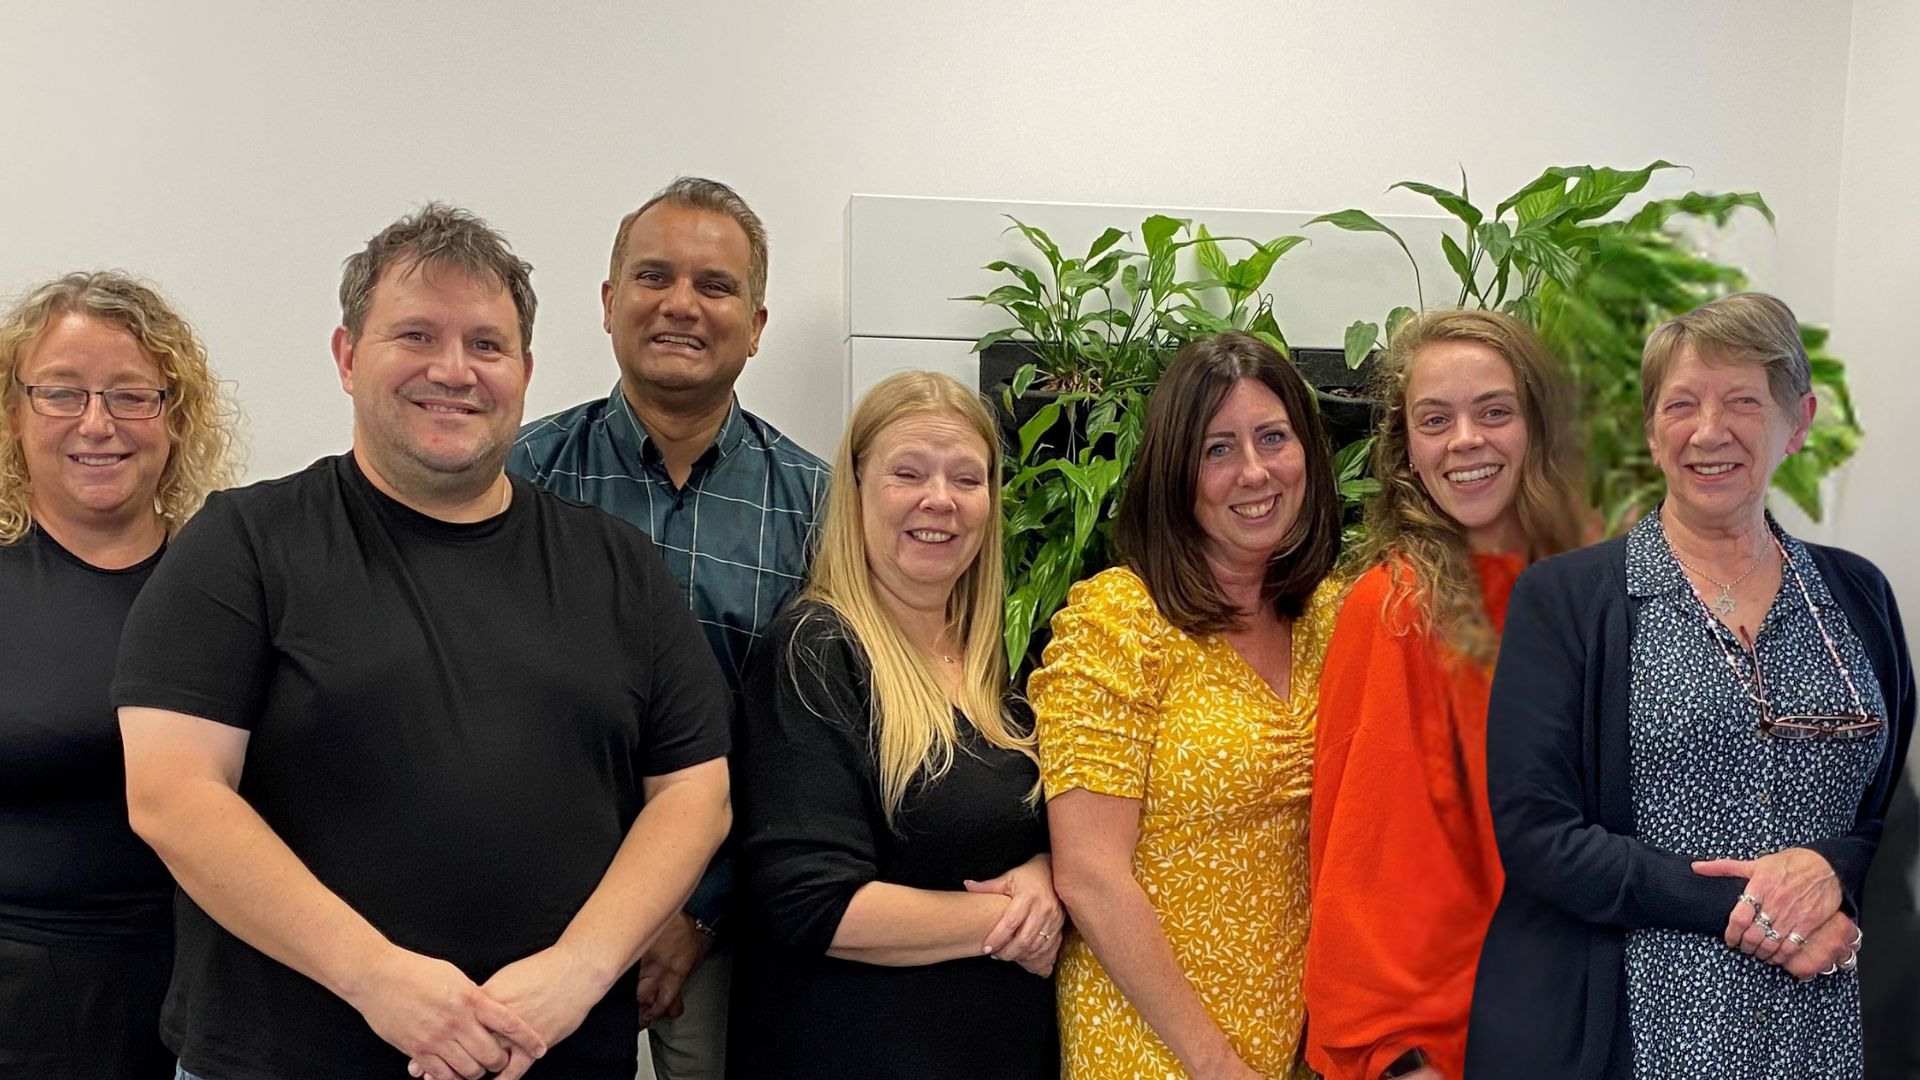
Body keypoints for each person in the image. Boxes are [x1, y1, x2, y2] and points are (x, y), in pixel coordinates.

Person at [112, 204, 733, 1080]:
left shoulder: (618, 566)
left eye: (486, 345)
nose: (455, 371)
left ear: (524, 369)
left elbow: (695, 795)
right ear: (346, 356)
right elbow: (174, 796)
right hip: (287, 1058)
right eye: (416, 335)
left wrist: (578, 972)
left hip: (556, 1052)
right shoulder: (244, 544)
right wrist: (380, 982)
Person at [1466, 292, 1915, 1079]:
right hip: (1638, 1024)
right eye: (1682, 404)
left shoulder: (1857, 596)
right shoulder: (1568, 601)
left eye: (1744, 400)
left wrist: (1831, 869)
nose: (1710, 431)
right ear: (1652, 430)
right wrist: (1760, 910)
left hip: (1828, 1022)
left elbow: (1884, 812)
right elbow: (1538, 834)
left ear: (1797, 420)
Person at [509, 177, 826, 1080]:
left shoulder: (814, 506)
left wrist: (700, 913)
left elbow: (802, 748)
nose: (682, 304)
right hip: (536, 919)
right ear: (610, 304)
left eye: (716, 286)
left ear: (756, 324)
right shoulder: (518, 476)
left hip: (723, 933)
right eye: (654, 276)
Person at [1030, 331, 1343, 1079]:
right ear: (1176, 471)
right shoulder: (1120, 621)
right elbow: (1090, 876)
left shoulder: (1335, 618)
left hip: (1299, 1049)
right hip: (1152, 1045)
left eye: (1273, 438)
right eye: (1217, 450)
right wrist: (1216, 1065)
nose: (1255, 472)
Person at [731, 371, 1060, 1080]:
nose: (938, 499)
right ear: (854, 491)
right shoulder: (816, 652)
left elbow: (1038, 829)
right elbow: (812, 901)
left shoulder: (1004, 660)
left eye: (966, 479)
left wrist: (1043, 874)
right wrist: (1013, 923)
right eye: (907, 473)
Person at [1303, 310, 1585, 1080]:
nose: (1465, 440)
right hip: (1461, 1047)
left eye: (1494, 411)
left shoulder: (1593, 589)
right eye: (1436, 420)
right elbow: (1368, 867)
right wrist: (1399, 1059)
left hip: (1590, 1022)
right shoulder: (1396, 608)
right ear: (1407, 451)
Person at [0, 271, 239, 1078]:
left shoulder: (235, 581)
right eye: (61, 394)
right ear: (13, 412)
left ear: (175, 417)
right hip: (22, 1012)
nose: (97, 424)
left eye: (132, 396)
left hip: (217, 1007)